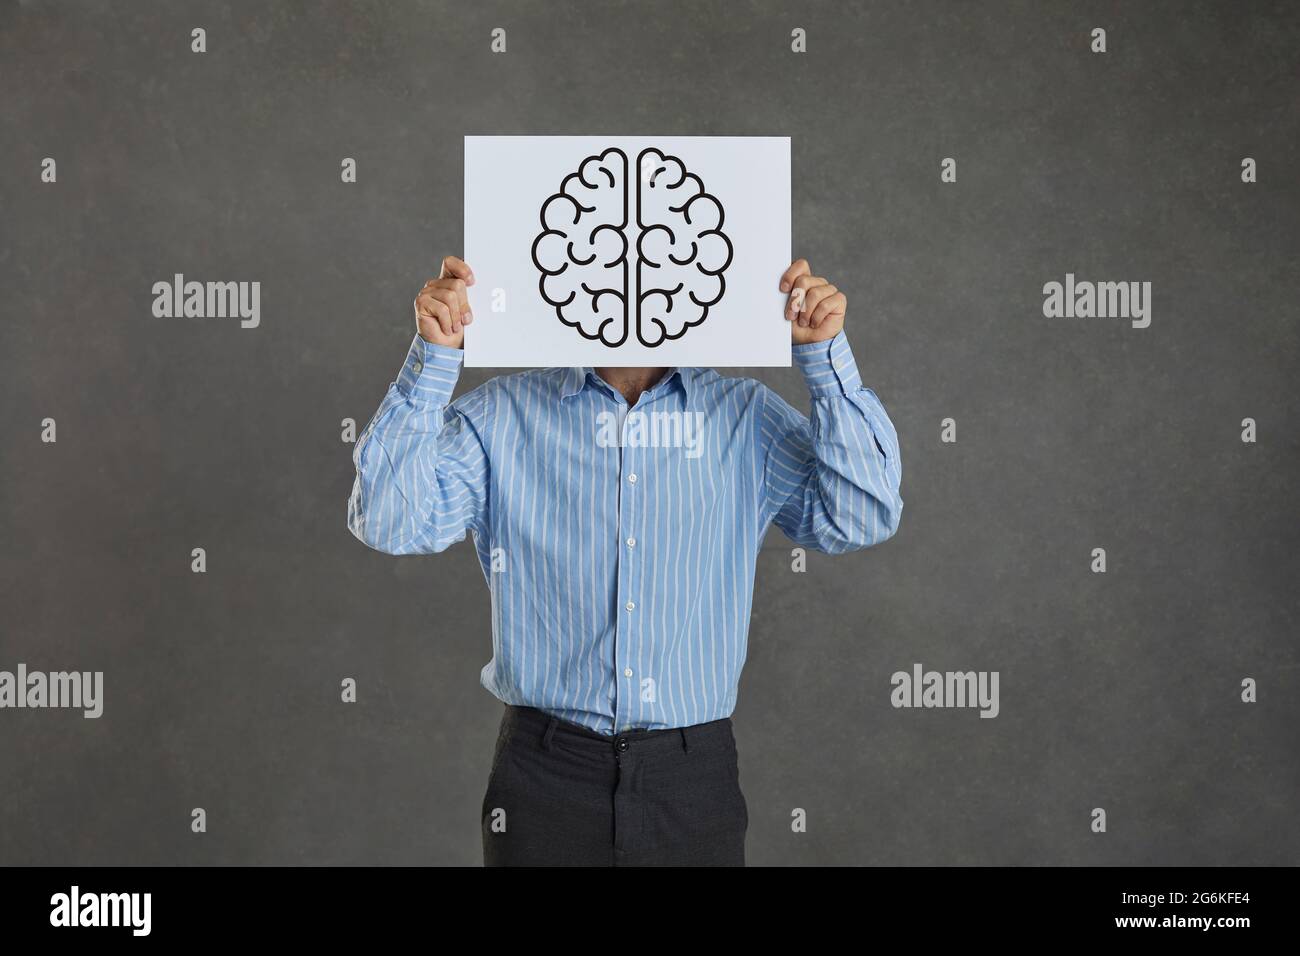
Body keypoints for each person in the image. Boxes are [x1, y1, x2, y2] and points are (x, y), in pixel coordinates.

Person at [348, 255, 904, 865]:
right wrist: (434, 362)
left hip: (692, 780)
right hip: (543, 778)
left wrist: (826, 362)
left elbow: (860, 516)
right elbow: (390, 521)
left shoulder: (745, 418)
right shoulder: (502, 415)